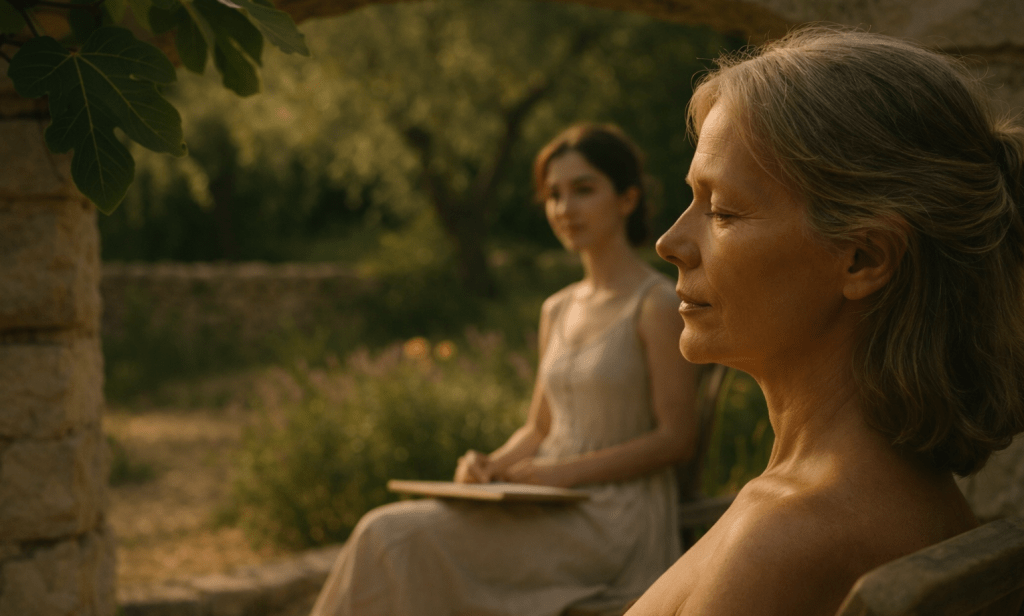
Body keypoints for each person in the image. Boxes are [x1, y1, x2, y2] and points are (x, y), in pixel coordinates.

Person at [627, 26, 1024, 616]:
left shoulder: (786, 539)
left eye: (722, 210)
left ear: (862, 257)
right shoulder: (902, 499)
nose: (669, 242)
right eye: (691, 199)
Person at [309, 123, 700, 616]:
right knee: (386, 532)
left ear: (626, 199)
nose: (565, 208)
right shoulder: (556, 309)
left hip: (613, 520)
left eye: (583, 190)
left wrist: (561, 476)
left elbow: (675, 438)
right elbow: (539, 428)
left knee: (394, 537)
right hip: (544, 502)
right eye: (554, 195)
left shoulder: (655, 303)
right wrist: (491, 464)